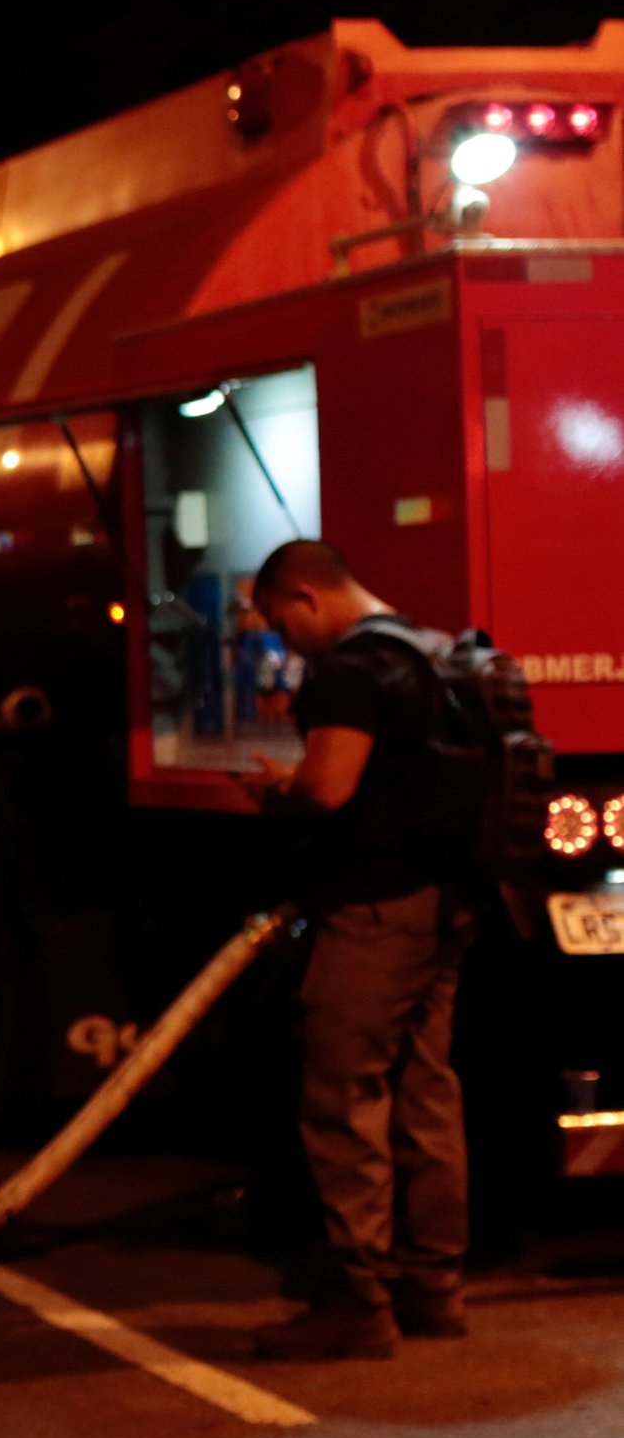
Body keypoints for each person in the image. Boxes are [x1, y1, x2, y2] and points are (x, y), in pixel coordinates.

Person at [245, 538, 477, 1358]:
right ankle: (433, 1289)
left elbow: (328, 786)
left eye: (278, 624)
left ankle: (358, 1302)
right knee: (426, 1095)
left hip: (374, 913)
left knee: (344, 1100)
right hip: (445, 904)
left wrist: (276, 789)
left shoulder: (349, 671)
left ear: (305, 596)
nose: (281, 642)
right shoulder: (437, 652)